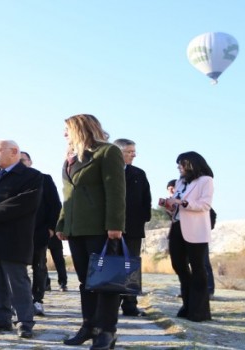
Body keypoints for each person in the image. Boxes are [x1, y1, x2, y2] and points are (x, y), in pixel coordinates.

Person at [56, 114, 126, 349]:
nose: (64, 134)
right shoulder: (71, 158)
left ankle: (106, 332)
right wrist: (62, 224)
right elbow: (68, 196)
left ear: (79, 129)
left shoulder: (108, 152)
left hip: (101, 229)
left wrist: (115, 225)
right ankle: (89, 326)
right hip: (76, 230)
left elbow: (116, 191)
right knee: (86, 282)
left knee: (105, 282)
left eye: (67, 129)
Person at [0, 140, 43, 339]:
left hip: (15, 239)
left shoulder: (32, 176)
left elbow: (26, 201)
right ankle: (1, 318)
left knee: (17, 282)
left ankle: (24, 321)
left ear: (13, 152)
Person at [164, 151, 214, 322]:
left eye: (182, 164)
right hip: (177, 227)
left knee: (198, 268)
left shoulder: (206, 180)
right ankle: (187, 304)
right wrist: (170, 205)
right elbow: (178, 204)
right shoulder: (180, 182)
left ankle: (199, 311)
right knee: (178, 265)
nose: (179, 167)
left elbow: (205, 205)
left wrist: (183, 203)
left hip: (196, 230)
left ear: (191, 164)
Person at [19, 151, 61, 317]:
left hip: (39, 231)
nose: (21, 163)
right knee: (17, 269)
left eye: (23, 160)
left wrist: (51, 227)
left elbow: (55, 204)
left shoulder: (45, 179)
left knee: (39, 267)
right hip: (17, 233)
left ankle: (37, 300)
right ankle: (20, 301)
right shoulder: (10, 179)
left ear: (30, 161)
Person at [113, 138, 151, 317]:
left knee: (131, 267)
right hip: (109, 229)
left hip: (133, 229)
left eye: (134, 151)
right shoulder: (107, 171)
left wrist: (142, 219)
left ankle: (130, 305)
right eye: (129, 151)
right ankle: (109, 304)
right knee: (112, 266)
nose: (133, 155)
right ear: (117, 152)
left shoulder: (139, 174)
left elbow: (146, 200)